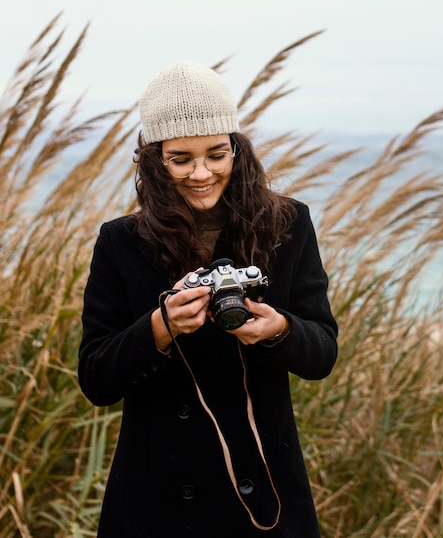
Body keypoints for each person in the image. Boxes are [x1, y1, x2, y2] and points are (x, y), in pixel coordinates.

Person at [78, 61, 339, 537]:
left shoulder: (286, 225)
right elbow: (95, 378)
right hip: (157, 498)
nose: (201, 173)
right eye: (181, 159)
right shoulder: (121, 241)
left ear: (237, 150)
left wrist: (277, 329)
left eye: (217, 154)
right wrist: (161, 327)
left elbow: (322, 353)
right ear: (155, 159)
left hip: (266, 496)